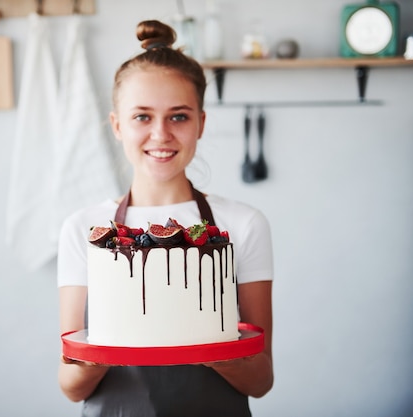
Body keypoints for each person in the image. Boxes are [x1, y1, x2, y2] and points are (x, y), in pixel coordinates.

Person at [56, 20, 274, 417]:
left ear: (201, 124)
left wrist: (207, 340)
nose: (161, 134)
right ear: (117, 126)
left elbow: (260, 381)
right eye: (142, 117)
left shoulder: (243, 224)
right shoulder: (82, 229)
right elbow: (70, 386)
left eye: (178, 116)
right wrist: (115, 341)